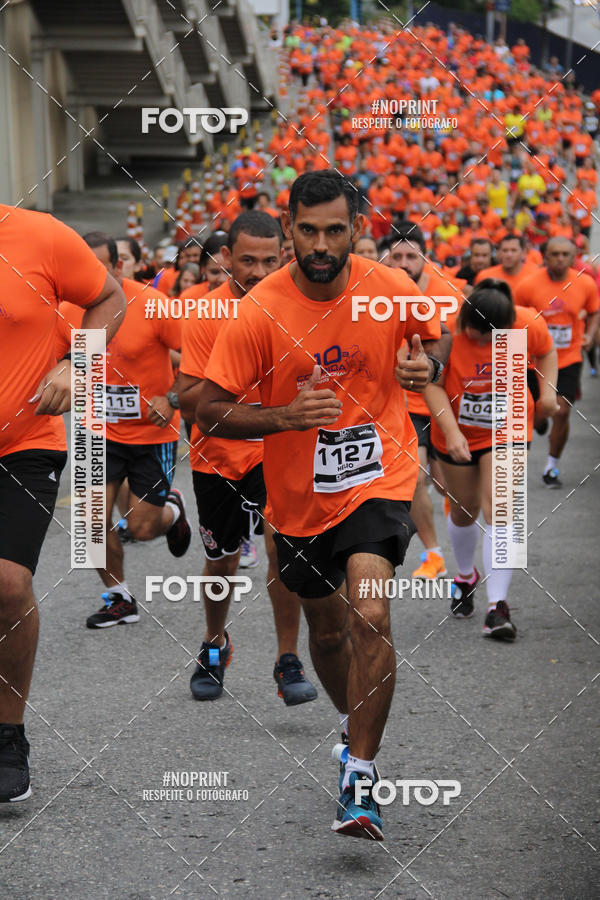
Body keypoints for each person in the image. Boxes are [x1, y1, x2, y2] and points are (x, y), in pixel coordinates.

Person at [195, 171, 449, 839]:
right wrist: (282, 417)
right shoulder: (261, 311)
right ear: (289, 232)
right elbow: (208, 411)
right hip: (300, 499)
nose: (321, 244)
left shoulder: (389, 287)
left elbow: (434, 339)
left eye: (335, 230)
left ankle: (360, 777)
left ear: (356, 230)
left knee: (369, 613)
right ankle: (352, 725)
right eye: (307, 230)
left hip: (380, 473)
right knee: (329, 632)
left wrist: (429, 370)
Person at [0, 206, 126, 802]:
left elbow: (110, 297)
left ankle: (8, 734)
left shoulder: (41, 236)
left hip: (25, 440)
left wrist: (79, 362)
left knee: (6, 585)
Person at [178, 211, 318, 706]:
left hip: (277, 451)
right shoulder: (204, 315)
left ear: (283, 255)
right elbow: (191, 401)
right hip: (216, 456)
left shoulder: (297, 308)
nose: (257, 272)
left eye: (267, 260)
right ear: (226, 259)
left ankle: (287, 659)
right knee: (222, 560)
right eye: (246, 261)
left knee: (282, 551)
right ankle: (214, 644)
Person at [56, 232, 192, 628]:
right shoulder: (65, 309)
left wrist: (172, 398)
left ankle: (172, 511)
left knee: (142, 528)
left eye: (98, 266)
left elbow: (199, 361)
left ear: (118, 267)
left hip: (152, 435)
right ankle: (119, 598)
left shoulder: (153, 305)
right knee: (88, 521)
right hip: (97, 430)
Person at [426, 279, 558, 638]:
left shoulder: (526, 323)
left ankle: (497, 608)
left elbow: (546, 351)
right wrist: (451, 432)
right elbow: (431, 383)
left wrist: (547, 393)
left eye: (491, 337)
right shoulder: (447, 329)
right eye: (477, 335)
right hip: (457, 431)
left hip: (509, 429)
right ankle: (466, 575)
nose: (483, 342)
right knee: (463, 510)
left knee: (500, 509)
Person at [379, 222, 456, 580]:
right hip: (406, 405)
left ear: (425, 257)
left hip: (448, 403)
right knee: (415, 477)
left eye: (411, 256)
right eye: (397, 256)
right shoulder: (379, 294)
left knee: (445, 485)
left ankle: (450, 505)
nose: (404, 263)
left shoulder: (452, 292)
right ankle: (434, 554)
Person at [514, 238, 599, 487]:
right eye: (554, 254)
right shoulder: (527, 286)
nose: (560, 258)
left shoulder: (584, 283)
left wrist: (590, 335)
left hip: (569, 358)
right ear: (544, 256)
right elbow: (516, 320)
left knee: (561, 410)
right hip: (534, 361)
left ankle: (551, 467)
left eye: (565, 254)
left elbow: (594, 311)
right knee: (537, 413)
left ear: (573, 257)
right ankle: (539, 420)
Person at [474, 234, 538, 293]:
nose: (508, 255)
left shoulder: (535, 275)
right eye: (505, 250)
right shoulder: (485, 276)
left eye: (513, 250)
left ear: (523, 253)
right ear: (498, 253)